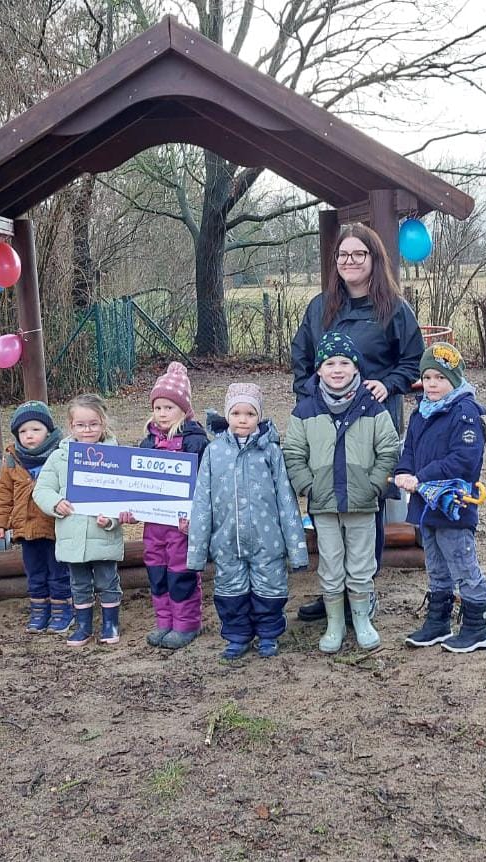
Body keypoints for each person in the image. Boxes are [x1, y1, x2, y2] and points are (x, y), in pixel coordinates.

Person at [291, 222, 424, 623]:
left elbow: (412, 360)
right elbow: (301, 361)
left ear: (374, 259)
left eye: (358, 254)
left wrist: (389, 384)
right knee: (328, 504)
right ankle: (333, 593)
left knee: (368, 505)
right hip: (324, 426)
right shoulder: (320, 308)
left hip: (372, 422)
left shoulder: (394, 309)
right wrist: (311, 401)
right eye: (343, 255)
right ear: (335, 262)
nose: (350, 261)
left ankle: (361, 596)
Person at [284, 332, 400, 652]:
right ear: (319, 370)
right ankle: (334, 622)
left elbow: (388, 449)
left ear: (356, 368)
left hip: (362, 502)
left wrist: (375, 484)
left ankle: (362, 618)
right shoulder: (305, 411)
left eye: (345, 362)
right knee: (331, 563)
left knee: (361, 563)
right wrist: (308, 485)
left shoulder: (372, 408)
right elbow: (293, 453)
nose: (337, 369)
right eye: (330, 362)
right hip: (323, 504)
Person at [187, 383, 309, 659]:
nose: (243, 419)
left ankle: (268, 635)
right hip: (226, 540)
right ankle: (238, 636)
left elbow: (286, 501)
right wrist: (197, 551)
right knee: (230, 591)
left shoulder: (270, 452)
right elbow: (202, 502)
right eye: (237, 413)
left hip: (268, 540)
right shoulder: (214, 452)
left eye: (250, 414)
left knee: (270, 589)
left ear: (260, 417)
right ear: (227, 415)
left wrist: (297, 549)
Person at [393, 342, 486, 653]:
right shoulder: (421, 411)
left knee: (462, 562)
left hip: (454, 503)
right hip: (425, 504)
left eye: (440, 377)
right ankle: (438, 621)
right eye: (427, 377)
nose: (432, 384)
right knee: (435, 563)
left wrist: (420, 476)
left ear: (455, 378)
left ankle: (478, 626)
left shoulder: (466, 413)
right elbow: (408, 450)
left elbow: (463, 460)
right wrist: (403, 470)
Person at [119, 362, 209, 650]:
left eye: (169, 408)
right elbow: (136, 485)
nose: (162, 413)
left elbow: (205, 485)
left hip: (182, 526)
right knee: (157, 572)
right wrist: (131, 509)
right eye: (158, 407)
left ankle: (186, 625)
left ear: (183, 410)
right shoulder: (146, 444)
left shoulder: (195, 442)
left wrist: (196, 517)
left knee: (180, 573)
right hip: (153, 526)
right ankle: (164, 622)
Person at [33, 393, 124, 647]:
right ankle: (83, 625)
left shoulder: (116, 457)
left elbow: (124, 496)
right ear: (71, 426)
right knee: (79, 583)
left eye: (93, 424)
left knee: (108, 581)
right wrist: (55, 503)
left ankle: (110, 623)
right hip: (71, 536)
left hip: (103, 535)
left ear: (103, 424)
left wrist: (113, 520)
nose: (87, 430)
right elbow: (42, 490)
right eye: (81, 425)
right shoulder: (59, 457)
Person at [0, 401, 72, 634]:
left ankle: (62, 609)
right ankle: (39, 608)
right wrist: (1, 521)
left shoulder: (59, 455)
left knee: (58, 570)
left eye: (35, 430)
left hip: (54, 526)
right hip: (25, 527)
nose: (29, 436)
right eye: (23, 431)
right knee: (34, 571)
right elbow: (4, 493)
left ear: (48, 430)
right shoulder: (12, 460)